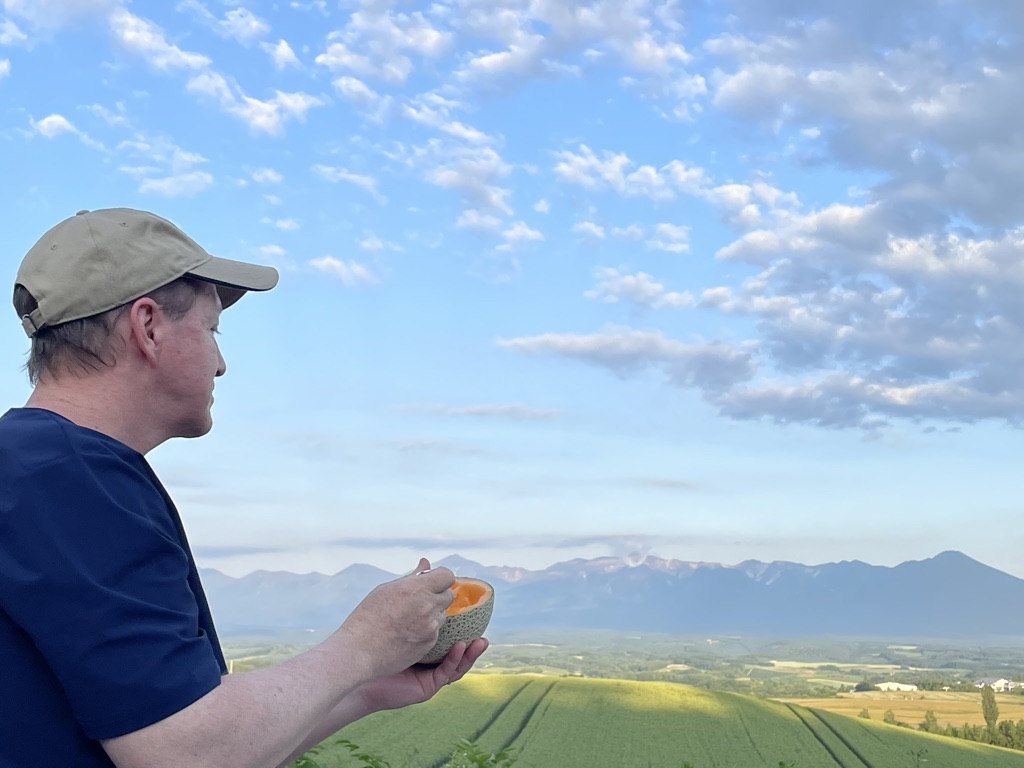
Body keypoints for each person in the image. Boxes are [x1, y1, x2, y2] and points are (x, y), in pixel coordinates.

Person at [0, 208, 488, 768]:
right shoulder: (74, 477)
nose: (222, 363)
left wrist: (369, 688)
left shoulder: (33, 465)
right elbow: (186, 756)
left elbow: (191, 735)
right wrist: (366, 644)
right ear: (148, 326)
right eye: (211, 329)